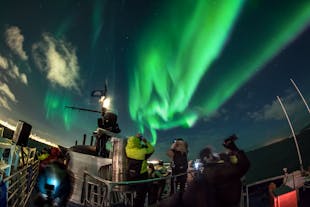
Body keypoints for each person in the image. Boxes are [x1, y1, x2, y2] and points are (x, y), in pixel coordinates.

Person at [160, 134, 250, 207]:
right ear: (207, 158)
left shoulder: (201, 178)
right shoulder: (222, 172)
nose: (216, 154)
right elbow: (244, 165)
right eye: (213, 153)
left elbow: (181, 199)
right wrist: (233, 148)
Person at [125, 133, 154, 207]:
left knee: (129, 191)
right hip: (141, 175)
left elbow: (132, 141)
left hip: (130, 175)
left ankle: (128, 203)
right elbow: (152, 149)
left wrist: (135, 137)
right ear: (138, 141)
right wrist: (145, 142)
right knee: (141, 194)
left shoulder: (127, 149)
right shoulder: (142, 152)